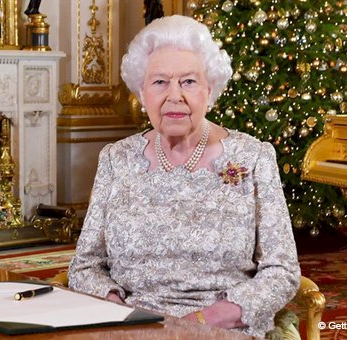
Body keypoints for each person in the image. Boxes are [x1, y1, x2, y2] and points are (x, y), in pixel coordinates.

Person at [68, 15, 301, 338]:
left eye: (188, 82)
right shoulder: (115, 159)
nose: (174, 95)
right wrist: (115, 309)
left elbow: (283, 271)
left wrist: (205, 320)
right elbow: (85, 266)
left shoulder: (253, 157)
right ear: (141, 91)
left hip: (220, 329)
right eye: (160, 82)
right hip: (132, 326)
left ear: (209, 89)